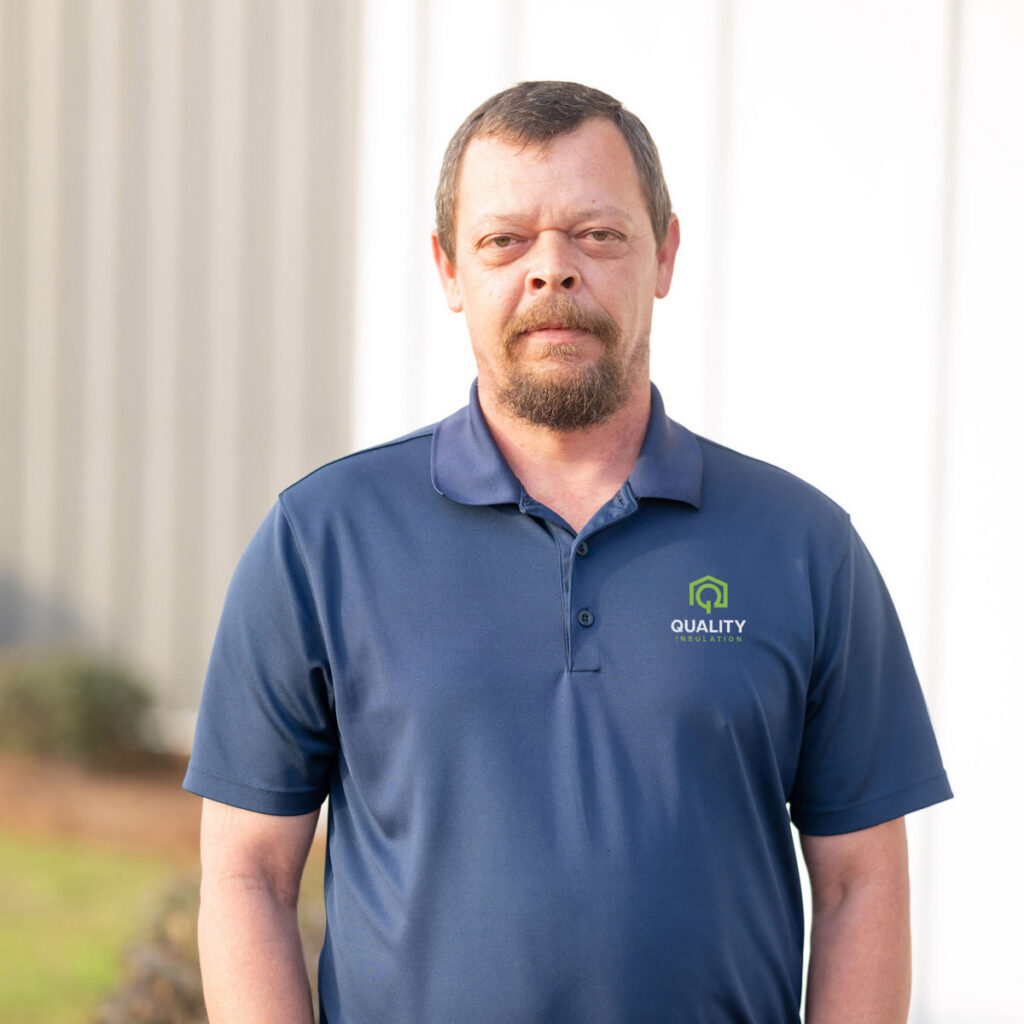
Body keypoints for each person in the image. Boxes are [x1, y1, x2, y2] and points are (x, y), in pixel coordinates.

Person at [185, 81, 952, 1023]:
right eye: (504, 240)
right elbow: (246, 879)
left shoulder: (804, 546)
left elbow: (860, 886)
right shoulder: (319, 539)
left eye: (598, 234)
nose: (551, 270)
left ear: (664, 253)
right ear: (449, 269)